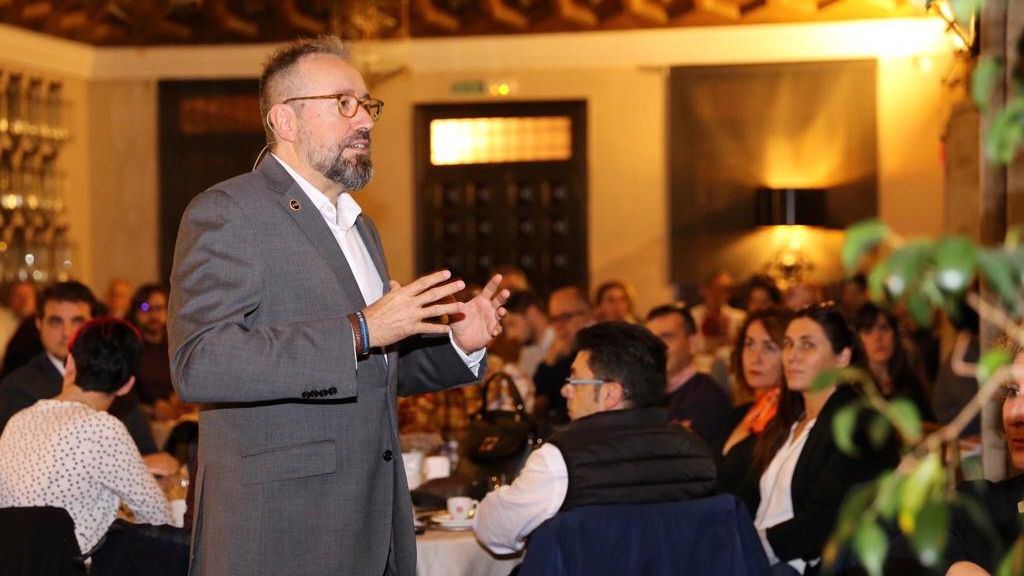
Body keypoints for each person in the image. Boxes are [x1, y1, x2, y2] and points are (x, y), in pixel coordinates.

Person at [168, 36, 507, 576]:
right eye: (344, 103)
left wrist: (456, 345)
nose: (365, 120)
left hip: (372, 520)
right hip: (282, 529)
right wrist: (360, 329)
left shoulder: (359, 226)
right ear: (285, 120)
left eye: (367, 105)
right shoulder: (230, 211)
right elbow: (201, 362)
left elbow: (368, 370)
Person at [473, 322, 716, 554]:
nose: (565, 390)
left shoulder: (561, 460)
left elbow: (494, 530)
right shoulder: (697, 452)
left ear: (610, 394)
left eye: (575, 381)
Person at [747, 303, 899, 575]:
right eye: (788, 344)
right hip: (757, 554)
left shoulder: (857, 424)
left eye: (808, 345)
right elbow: (750, 494)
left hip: (795, 565)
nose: (792, 356)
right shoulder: (788, 422)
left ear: (842, 358)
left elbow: (823, 522)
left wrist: (750, 545)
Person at [0, 318, 171, 555]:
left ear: (69, 363)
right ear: (127, 385)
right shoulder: (102, 428)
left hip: (13, 561)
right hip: (73, 566)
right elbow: (158, 517)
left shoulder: (19, 420)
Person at [0, 281, 174, 476]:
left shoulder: (111, 375)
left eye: (77, 321)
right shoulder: (16, 388)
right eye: (56, 321)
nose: (66, 333)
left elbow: (149, 452)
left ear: (93, 325)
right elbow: (24, 468)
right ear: (39, 324)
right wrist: (130, 465)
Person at [944, 344, 1024, 576]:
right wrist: (956, 568)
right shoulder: (978, 505)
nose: (1015, 413)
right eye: (1012, 392)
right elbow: (902, 557)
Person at [718, 307, 790, 504]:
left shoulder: (789, 418)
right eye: (749, 344)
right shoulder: (741, 412)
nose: (755, 357)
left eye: (769, 347)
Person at [645, 303, 732, 445]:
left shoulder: (709, 399)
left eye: (667, 337)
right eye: (651, 340)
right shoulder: (642, 394)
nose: (657, 347)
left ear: (692, 343)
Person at [853, 302, 933, 421]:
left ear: (895, 335)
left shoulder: (910, 381)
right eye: (868, 331)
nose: (877, 338)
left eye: (884, 328)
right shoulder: (854, 389)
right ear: (858, 339)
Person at [534, 286, 592, 425]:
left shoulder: (597, 351)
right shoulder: (562, 351)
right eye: (554, 319)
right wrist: (550, 359)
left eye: (565, 317)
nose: (559, 326)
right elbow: (538, 390)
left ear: (586, 315)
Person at [690, 271, 746, 353]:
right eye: (714, 288)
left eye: (723, 290)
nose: (717, 294)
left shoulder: (740, 318)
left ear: (729, 294)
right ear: (703, 290)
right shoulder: (691, 316)